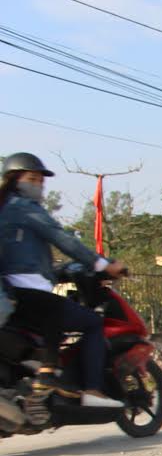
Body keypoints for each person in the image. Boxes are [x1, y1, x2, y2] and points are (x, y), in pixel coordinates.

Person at [0, 152, 125, 407]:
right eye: (32, 179)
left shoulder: (5, 211)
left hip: (10, 294)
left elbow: (27, 261)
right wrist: (103, 264)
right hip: (26, 293)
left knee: (53, 313)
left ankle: (44, 375)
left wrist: (62, 270)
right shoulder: (23, 208)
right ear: (14, 179)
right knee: (91, 323)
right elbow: (62, 238)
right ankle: (91, 390)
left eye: (40, 181)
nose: (37, 185)